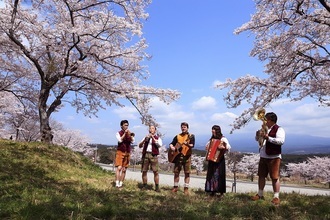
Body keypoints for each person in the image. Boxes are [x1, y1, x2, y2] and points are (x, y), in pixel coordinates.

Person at [251, 112, 285, 205]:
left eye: (266, 119)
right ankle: (260, 194)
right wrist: (258, 135)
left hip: (274, 156)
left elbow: (281, 141)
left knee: (274, 177)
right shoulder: (263, 129)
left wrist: (268, 137)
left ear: (271, 120)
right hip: (263, 155)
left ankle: (276, 196)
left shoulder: (279, 129)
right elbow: (257, 140)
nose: (264, 121)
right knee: (261, 175)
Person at [169, 122, 195, 195]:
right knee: (176, 172)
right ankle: (175, 187)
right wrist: (172, 147)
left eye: (185, 127)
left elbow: (192, 145)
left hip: (187, 156)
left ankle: (186, 188)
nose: (183, 128)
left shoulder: (191, 136)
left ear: (187, 128)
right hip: (178, 156)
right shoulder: (177, 136)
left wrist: (187, 144)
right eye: (182, 127)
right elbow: (172, 143)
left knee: (187, 173)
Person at [205, 125, 231, 197]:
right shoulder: (211, 139)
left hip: (219, 159)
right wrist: (207, 147)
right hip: (212, 160)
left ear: (218, 131)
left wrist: (223, 147)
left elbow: (228, 146)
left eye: (214, 130)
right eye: (212, 129)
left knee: (219, 174)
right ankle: (212, 190)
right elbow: (207, 146)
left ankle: (221, 191)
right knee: (211, 174)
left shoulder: (223, 139)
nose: (213, 131)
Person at [138, 125, 162, 192]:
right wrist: (144, 140)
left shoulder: (158, 138)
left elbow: (159, 145)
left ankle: (157, 187)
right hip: (146, 154)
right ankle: (144, 185)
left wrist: (153, 138)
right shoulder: (146, 137)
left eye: (152, 128)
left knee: (155, 171)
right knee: (144, 170)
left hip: (153, 155)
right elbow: (140, 146)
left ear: (155, 130)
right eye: (150, 128)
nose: (151, 129)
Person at [115, 120, 135, 189]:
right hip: (120, 151)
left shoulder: (129, 133)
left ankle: (121, 183)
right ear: (121, 126)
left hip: (127, 152)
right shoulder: (118, 133)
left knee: (124, 169)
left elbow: (133, 141)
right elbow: (120, 140)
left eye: (127, 125)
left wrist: (130, 135)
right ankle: (117, 183)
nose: (126, 126)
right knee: (119, 167)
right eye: (125, 125)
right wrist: (124, 134)